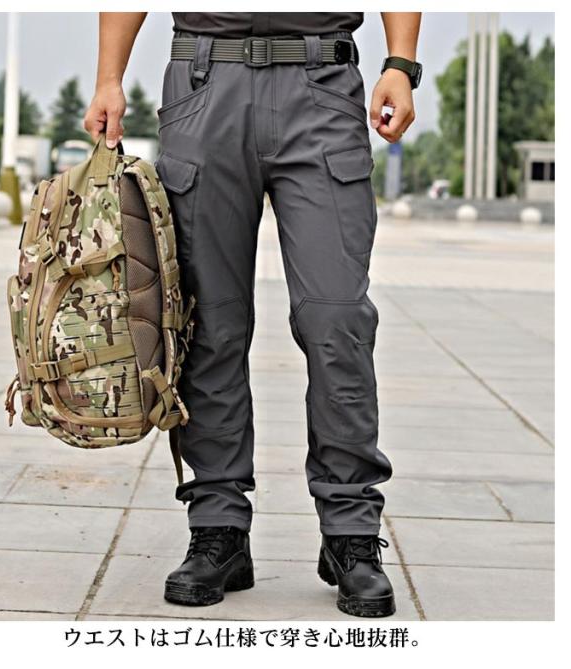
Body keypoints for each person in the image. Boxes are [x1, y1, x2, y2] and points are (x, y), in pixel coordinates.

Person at [85, 11, 422, 618]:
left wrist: (400, 63)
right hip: (204, 80)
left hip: (322, 82)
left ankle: (349, 531)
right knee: (209, 321)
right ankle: (218, 527)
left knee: (337, 319)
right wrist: (110, 77)